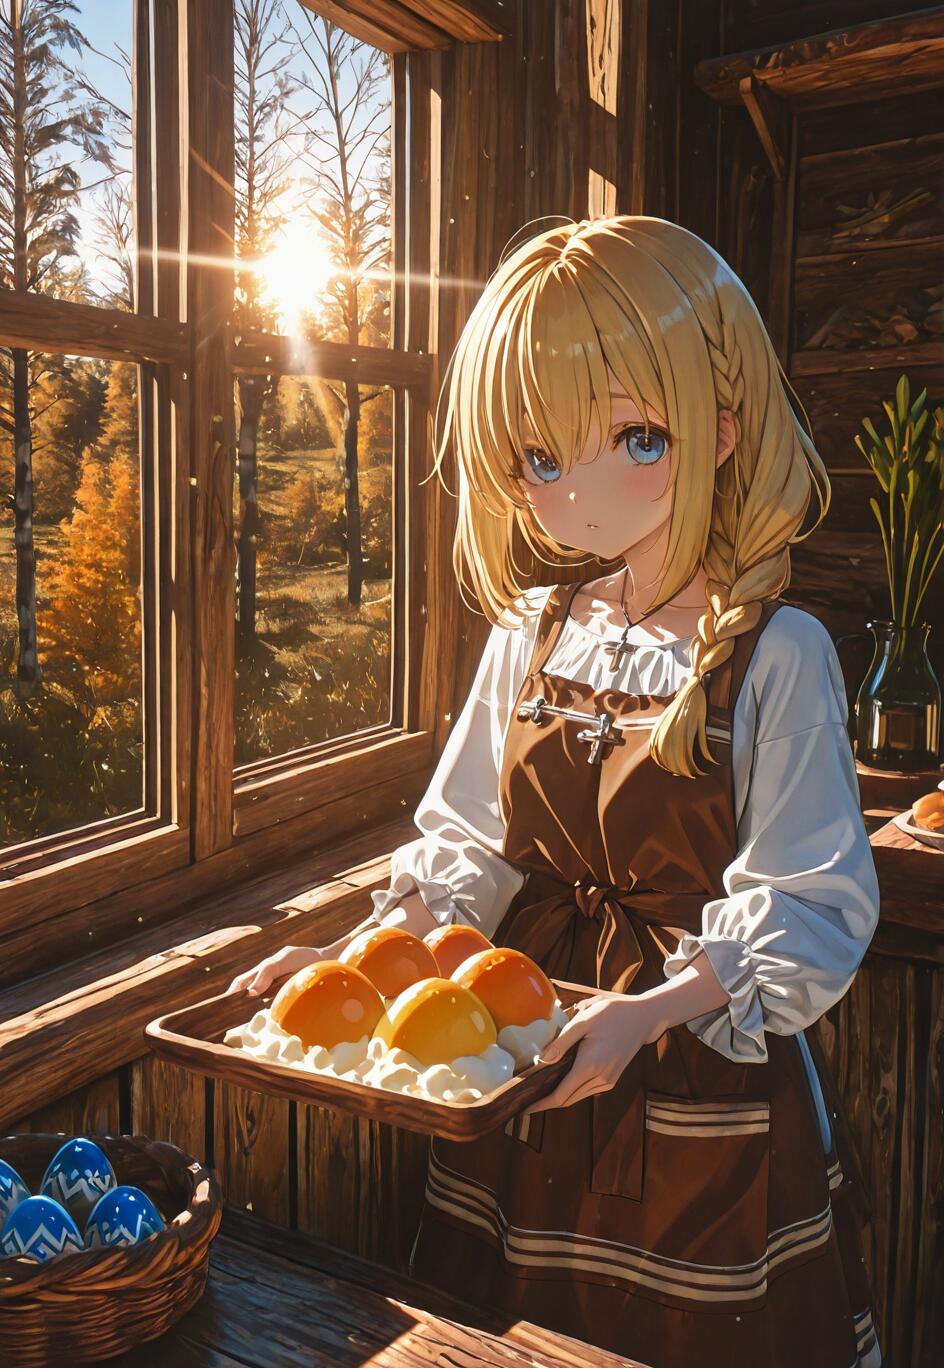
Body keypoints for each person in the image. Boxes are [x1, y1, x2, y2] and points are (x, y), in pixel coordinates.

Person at [229, 215, 881, 1367]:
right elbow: (466, 849)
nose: (571, 494)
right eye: (537, 458)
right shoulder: (528, 633)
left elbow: (808, 897)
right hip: (515, 1043)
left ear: (719, 427)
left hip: (692, 1071)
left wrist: (644, 1013)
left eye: (632, 437)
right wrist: (345, 959)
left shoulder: (777, 652)